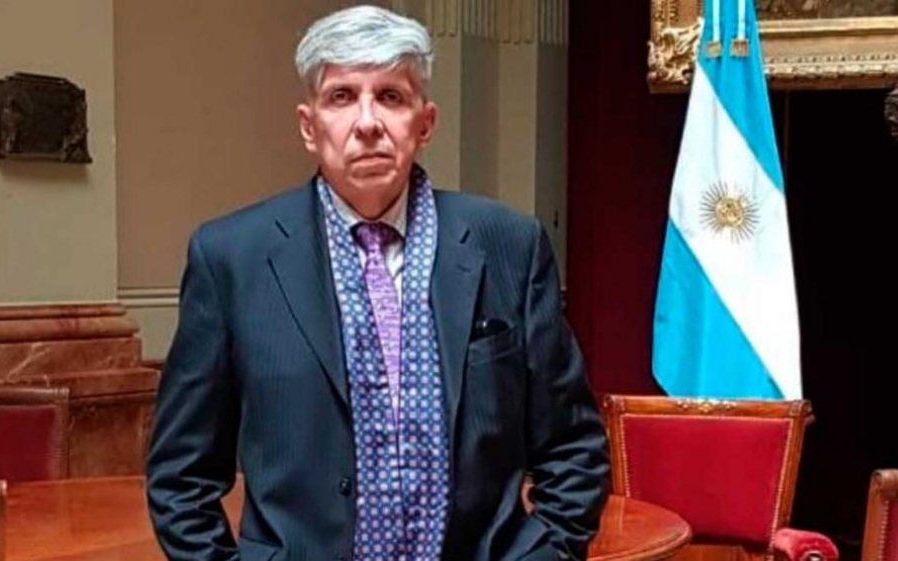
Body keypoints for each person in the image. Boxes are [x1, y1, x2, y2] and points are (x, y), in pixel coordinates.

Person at [146, 5, 609, 560]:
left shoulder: (509, 245)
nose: (367, 123)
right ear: (309, 126)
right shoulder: (231, 259)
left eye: (390, 96)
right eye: (342, 96)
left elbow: (574, 449)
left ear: (424, 123)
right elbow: (180, 478)